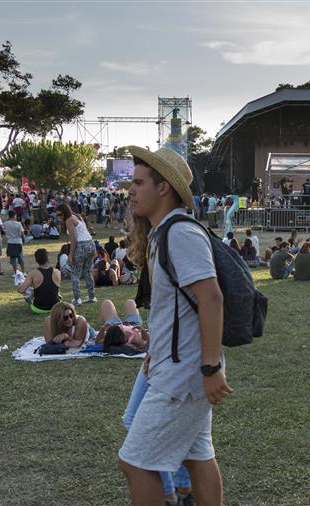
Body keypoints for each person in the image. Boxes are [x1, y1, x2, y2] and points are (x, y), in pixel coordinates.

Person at [119, 146, 230, 505]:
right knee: (198, 456)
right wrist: (155, 350)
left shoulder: (180, 234)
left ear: (163, 187)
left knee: (135, 461)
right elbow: (176, 308)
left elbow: (211, 297)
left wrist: (210, 367)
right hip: (178, 364)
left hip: (184, 372)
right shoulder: (163, 233)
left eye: (138, 183)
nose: (130, 191)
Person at [57, 203, 96, 306]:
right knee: (87, 272)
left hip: (82, 245)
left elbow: (73, 239)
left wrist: (70, 255)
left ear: (64, 212)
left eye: (60, 214)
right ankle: (92, 296)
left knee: (75, 273)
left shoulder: (69, 220)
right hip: (91, 244)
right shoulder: (77, 216)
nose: (59, 217)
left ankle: (77, 299)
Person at [18, 248, 62, 314]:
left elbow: (21, 290)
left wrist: (20, 284)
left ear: (36, 260)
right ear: (48, 259)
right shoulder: (57, 272)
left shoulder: (33, 274)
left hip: (39, 308)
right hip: (56, 307)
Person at [4, 210, 25, 274]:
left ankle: (16, 272)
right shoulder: (18, 223)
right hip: (18, 241)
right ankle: (23, 272)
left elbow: (2, 227)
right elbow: (22, 233)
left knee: (12, 258)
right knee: (20, 257)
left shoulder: (6, 223)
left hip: (10, 242)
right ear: (14, 216)